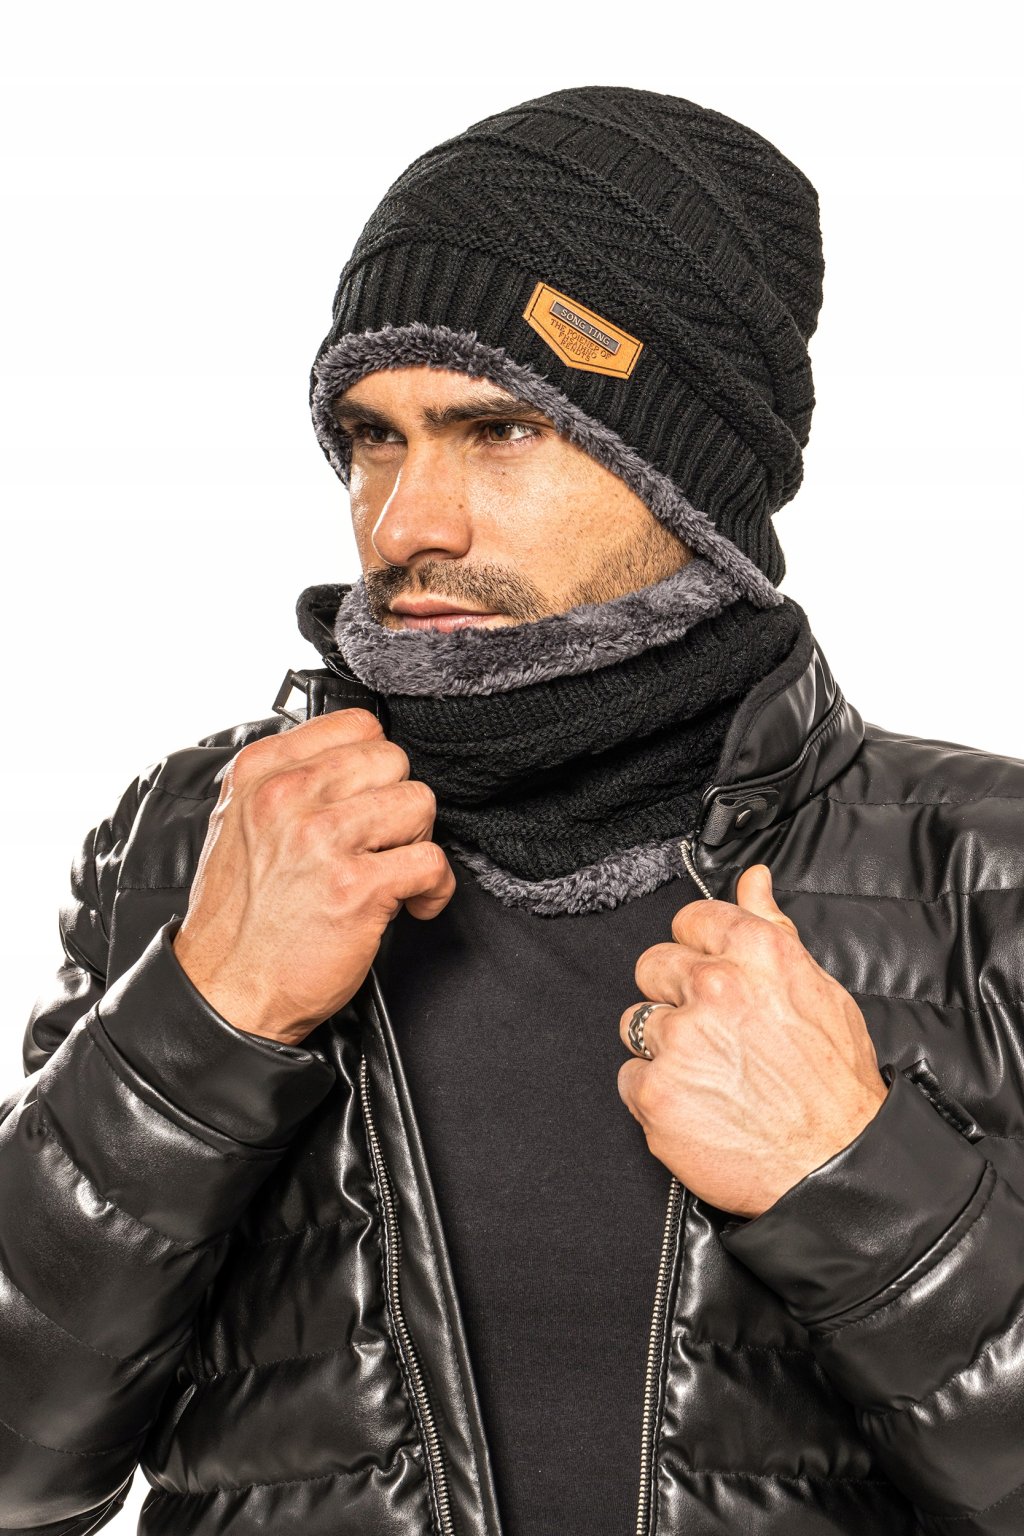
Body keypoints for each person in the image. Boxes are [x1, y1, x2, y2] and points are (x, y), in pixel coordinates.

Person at [1, 84, 1021, 1536]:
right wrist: (203, 1022)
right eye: (372, 438)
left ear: (691, 473)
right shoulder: (198, 842)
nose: (406, 522)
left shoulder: (986, 873)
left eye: (499, 430)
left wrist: (856, 1186)